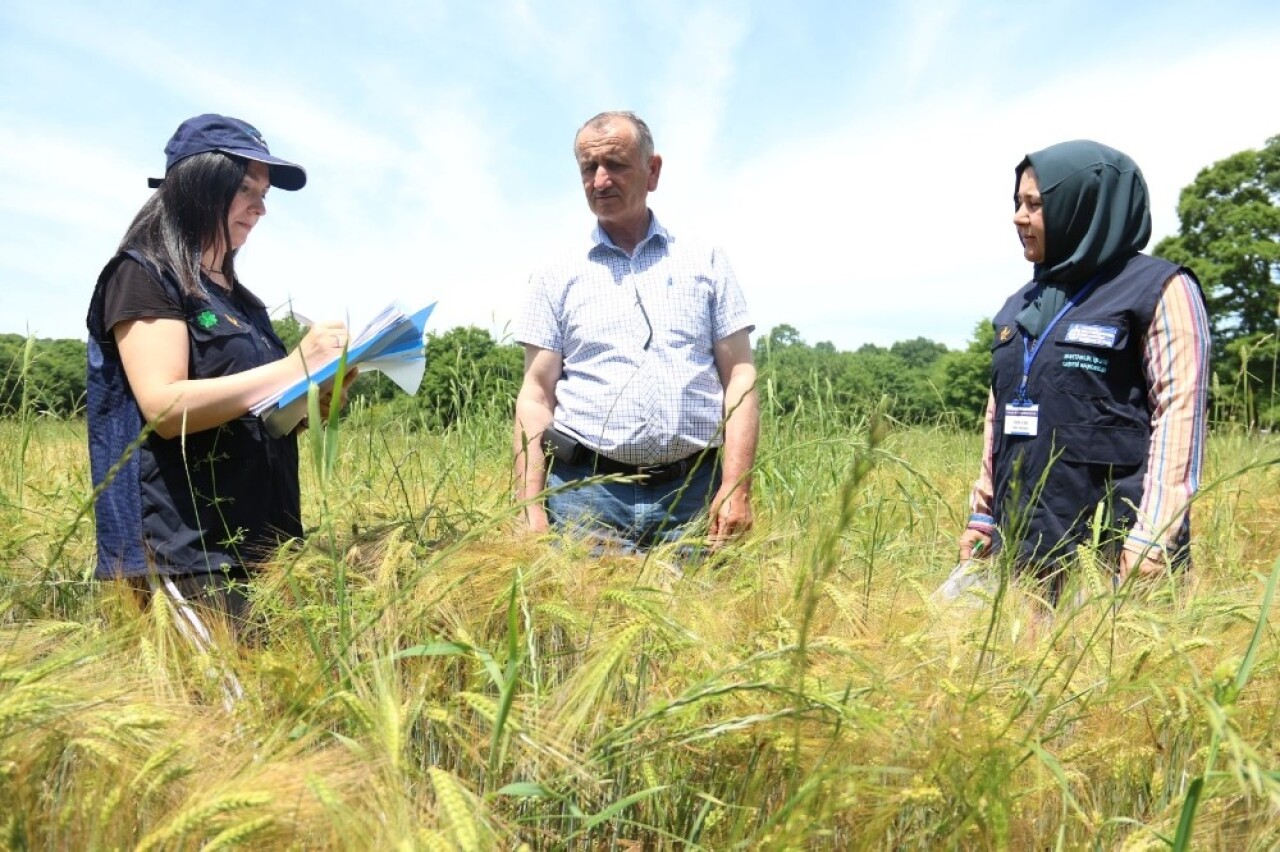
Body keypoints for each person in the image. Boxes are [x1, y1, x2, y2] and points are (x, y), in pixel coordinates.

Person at [86, 113, 354, 635]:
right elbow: (164, 409)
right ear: (200, 185)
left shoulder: (239, 301)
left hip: (261, 542)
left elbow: (258, 413)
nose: (261, 205)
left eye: (265, 191)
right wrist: (294, 364)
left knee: (265, 712)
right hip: (187, 550)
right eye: (246, 187)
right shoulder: (143, 274)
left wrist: (314, 400)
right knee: (217, 710)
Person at [957, 139, 1210, 597]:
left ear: (1082, 207)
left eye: (1035, 203)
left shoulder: (1160, 288)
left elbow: (1180, 413)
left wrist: (1153, 536)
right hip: (1022, 547)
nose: (1018, 216)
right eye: (1017, 202)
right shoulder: (1020, 305)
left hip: (1114, 554)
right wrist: (983, 512)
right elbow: (999, 413)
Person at [512, 110, 759, 553]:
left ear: (653, 170)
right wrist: (529, 505)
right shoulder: (556, 274)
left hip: (693, 498)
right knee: (590, 622)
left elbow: (740, 374)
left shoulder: (706, 262)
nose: (600, 180)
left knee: (703, 620)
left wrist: (736, 486)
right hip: (586, 499)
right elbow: (535, 393)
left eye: (616, 164)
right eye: (589, 168)